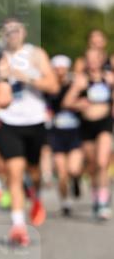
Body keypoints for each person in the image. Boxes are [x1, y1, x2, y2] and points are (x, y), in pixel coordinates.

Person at [0, 19, 59, 245]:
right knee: (14, 171)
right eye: (8, 30)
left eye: (16, 30)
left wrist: (24, 76)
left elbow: (53, 85)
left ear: (24, 32)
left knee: (34, 171)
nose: (12, 34)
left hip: (35, 120)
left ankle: (36, 195)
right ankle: (18, 224)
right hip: (8, 121)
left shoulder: (36, 54)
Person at [63, 46, 113, 220]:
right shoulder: (81, 80)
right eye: (89, 59)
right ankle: (96, 198)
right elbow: (66, 103)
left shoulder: (109, 78)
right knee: (92, 166)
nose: (92, 62)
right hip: (86, 126)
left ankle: (103, 202)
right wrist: (78, 102)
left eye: (95, 59)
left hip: (104, 124)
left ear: (101, 60)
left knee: (101, 162)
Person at [45, 55, 83, 216]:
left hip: (74, 133)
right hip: (56, 135)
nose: (60, 71)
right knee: (61, 173)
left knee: (73, 170)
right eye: (57, 68)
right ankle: (65, 202)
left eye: (63, 68)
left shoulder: (75, 86)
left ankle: (76, 180)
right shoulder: (49, 89)